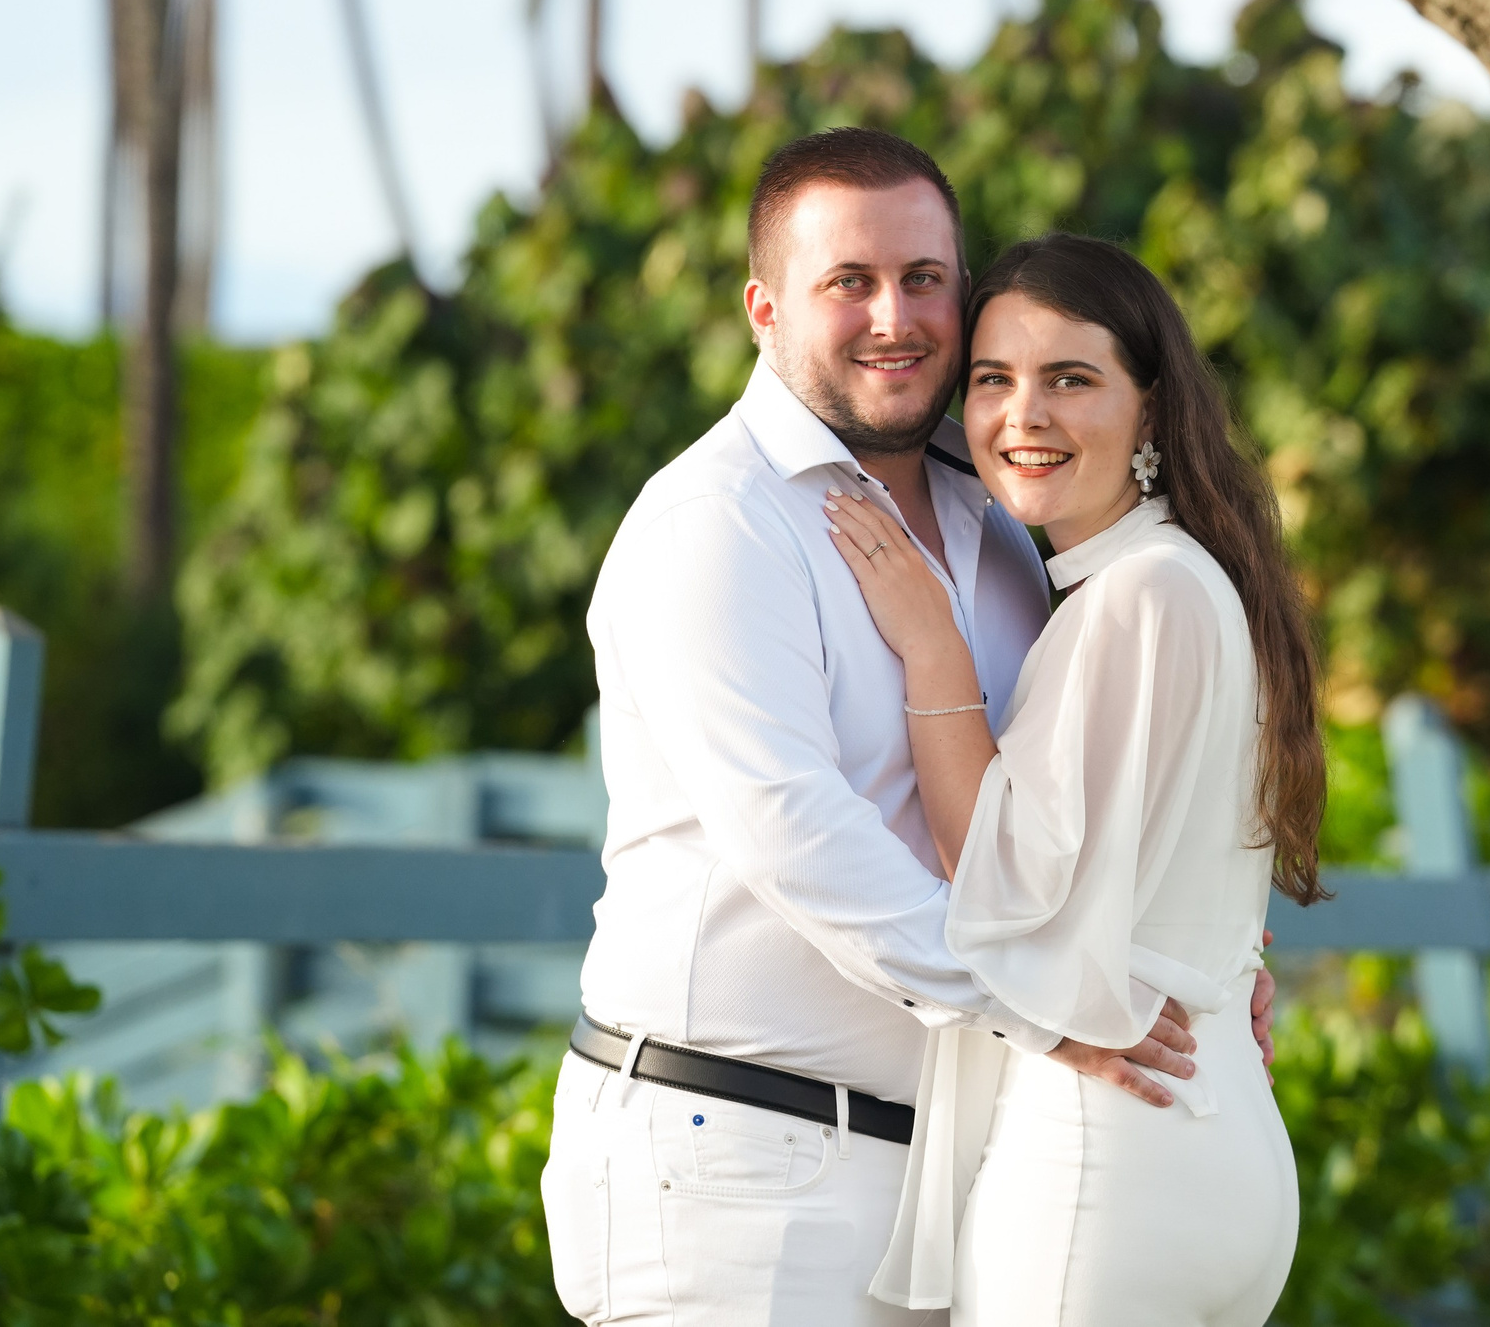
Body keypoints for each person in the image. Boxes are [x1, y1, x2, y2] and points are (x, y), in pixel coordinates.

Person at [540, 130, 1276, 1327]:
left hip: (961, 1167)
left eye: (926, 278)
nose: (897, 316)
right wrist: (1054, 998)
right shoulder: (713, 527)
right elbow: (800, 838)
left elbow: (1073, 801)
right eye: (851, 283)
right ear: (764, 307)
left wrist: (1179, 951)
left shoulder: (997, 525)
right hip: (739, 1161)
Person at [826, 233, 1324, 1326]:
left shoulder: (1139, 593)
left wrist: (932, 648)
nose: (1022, 415)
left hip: (1111, 1162)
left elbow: (1002, 886)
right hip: (1208, 1142)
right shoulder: (1184, 579)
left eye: (1070, 379)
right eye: (993, 380)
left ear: (1152, 409)